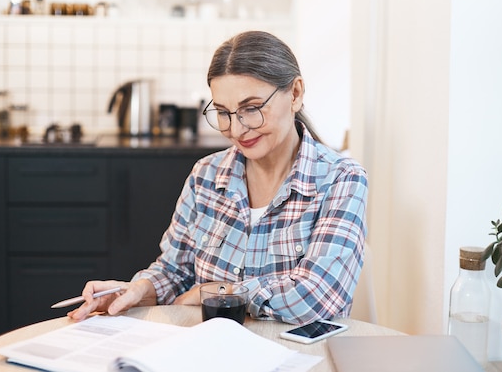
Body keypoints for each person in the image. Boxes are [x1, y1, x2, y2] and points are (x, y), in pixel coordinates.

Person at [68, 30, 368, 325]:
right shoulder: (206, 175)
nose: (237, 130)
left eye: (252, 109)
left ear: (296, 94)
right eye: (223, 112)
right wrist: (135, 290)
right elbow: (175, 270)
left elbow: (318, 296)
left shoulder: (341, 180)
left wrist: (215, 293)